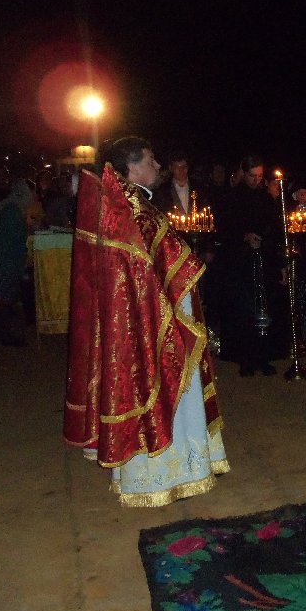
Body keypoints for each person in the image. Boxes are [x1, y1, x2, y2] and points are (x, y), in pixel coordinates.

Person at [64, 136, 228, 507]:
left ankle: (183, 468)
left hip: (152, 316)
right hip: (151, 321)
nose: (157, 165)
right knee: (162, 388)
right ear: (132, 166)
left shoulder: (127, 203)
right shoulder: (131, 208)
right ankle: (165, 476)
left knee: (169, 390)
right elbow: (158, 269)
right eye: (151, 159)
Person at [217, 155, 282, 376]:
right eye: (252, 176)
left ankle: (264, 356)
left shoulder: (266, 198)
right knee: (243, 309)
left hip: (263, 258)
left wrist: (264, 242)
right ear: (244, 174)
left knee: (264, 307)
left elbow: (274, 227)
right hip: (240, 262)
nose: (256, 180)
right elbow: (225, 228)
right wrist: (245, 237)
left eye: (260, 176)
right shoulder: (232, 197)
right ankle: (245, 358)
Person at [0, 179, 33, 346]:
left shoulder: (10, 208)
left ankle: (5, 333)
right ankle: (6, 334)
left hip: (3, 259)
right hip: (6, 261)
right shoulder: (12, 211)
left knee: (4, 296)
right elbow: (14, 239)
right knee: (4, 297)